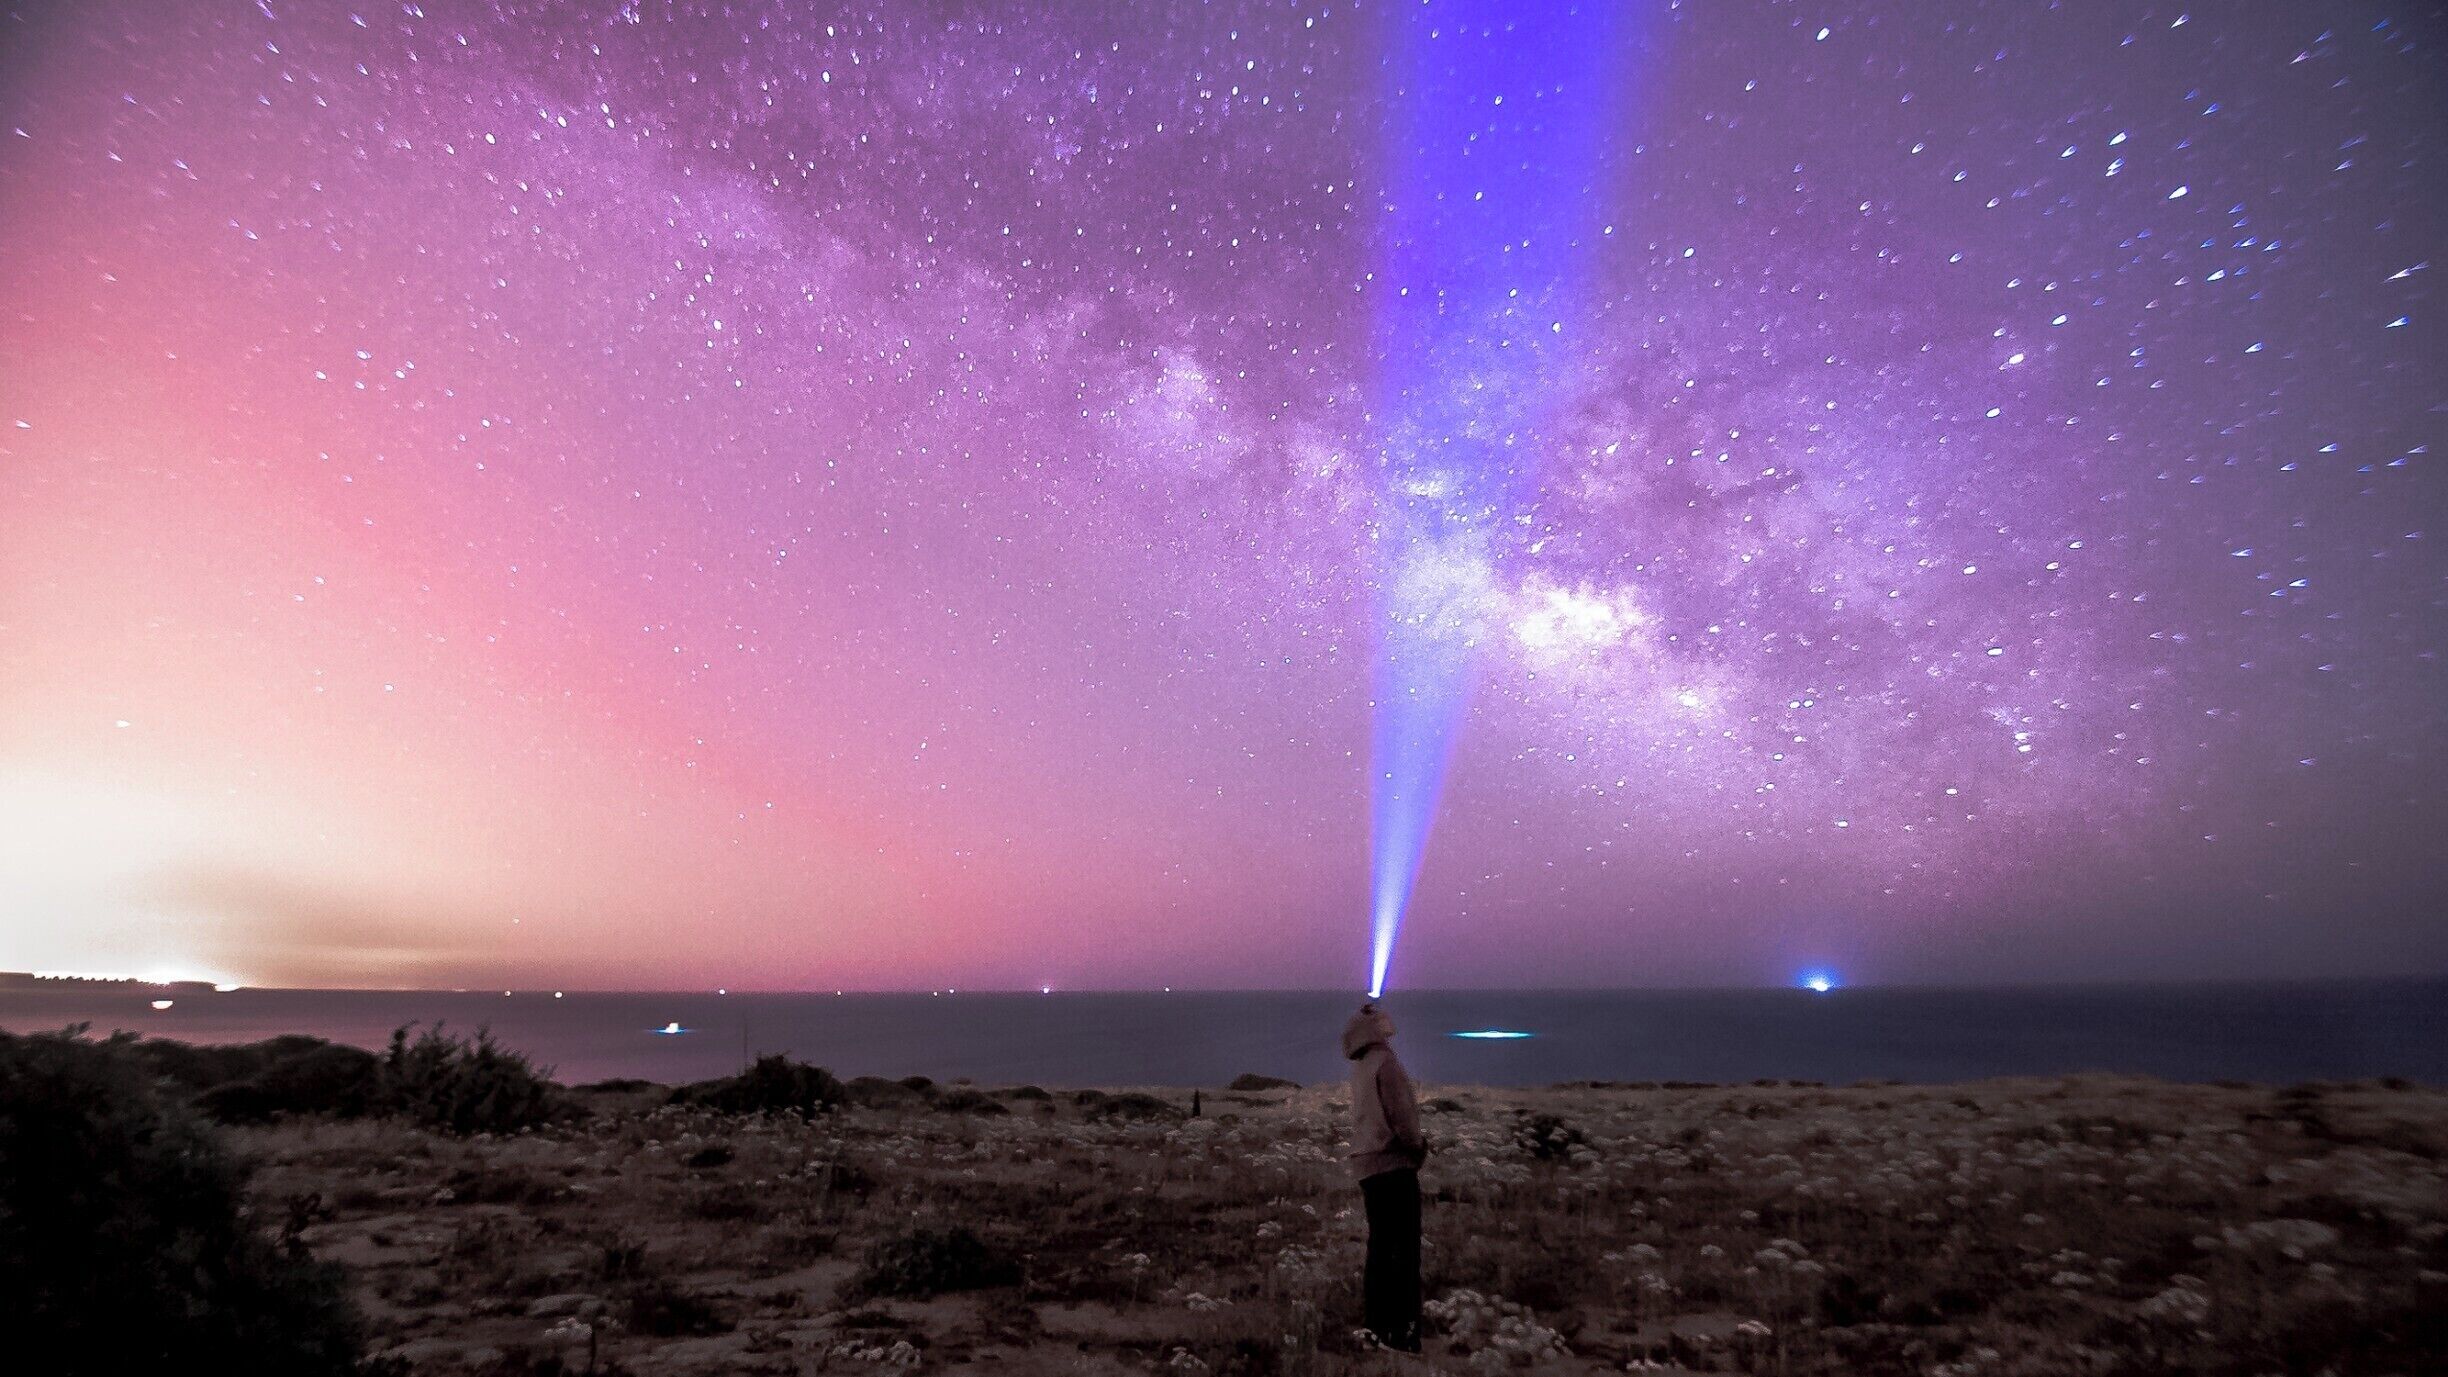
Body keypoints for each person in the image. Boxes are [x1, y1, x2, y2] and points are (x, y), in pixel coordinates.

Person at [1343, 1001, 1426, 1351]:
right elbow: (1402, 1115)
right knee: (1403, 1253)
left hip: (1367, 1166)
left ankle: (1375, 1328)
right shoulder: (1385, 1063)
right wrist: (1418, 1146)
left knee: (1379, 1250)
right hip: (1392, 1165)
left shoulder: (1362, 1066)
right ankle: (1402, 1334)